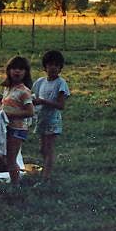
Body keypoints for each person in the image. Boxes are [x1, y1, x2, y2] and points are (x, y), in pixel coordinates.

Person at [32, 50, 70, 179]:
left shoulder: (61, 83)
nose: (53, 68)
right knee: (42, 148)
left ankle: (46, 176)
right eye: (50, 65)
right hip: (42, 119)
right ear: (45, 67)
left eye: (56, 65)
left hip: (53, 120)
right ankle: (46, 167)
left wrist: (43, 101)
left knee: (49, 147)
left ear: (60, 68)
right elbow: (34, 97)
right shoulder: (39, 82)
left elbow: (61, 105)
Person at [1, 55, 34, 187]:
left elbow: (30, 112)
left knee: (11, 158)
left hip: (18, 129)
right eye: (14, 68)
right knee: (8, 157)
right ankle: (13, 181)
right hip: (7, 127)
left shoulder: (24, 91)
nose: (17, 71)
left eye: (21, 69)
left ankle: (16, 185)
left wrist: (11, 114)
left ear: (25, 72)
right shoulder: (8, 88)